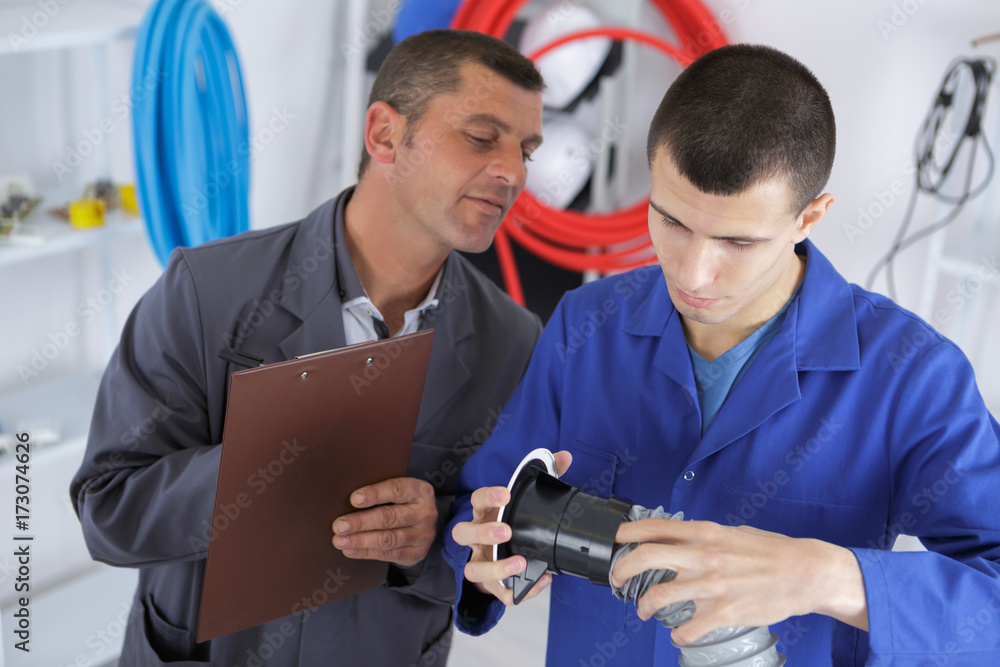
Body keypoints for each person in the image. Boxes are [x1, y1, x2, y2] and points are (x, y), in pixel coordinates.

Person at [446, 43, 1000, 665]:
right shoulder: (587, 324)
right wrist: (479, 549)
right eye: (672, 222)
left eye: (737, 241)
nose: (693, 274)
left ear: (809, 218)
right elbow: (484, 502)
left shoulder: (914, 378)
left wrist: (828, 576)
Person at [70, 29, 545, 667]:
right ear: (384, 135)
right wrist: (265, 473)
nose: (512, 173)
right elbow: (109, 507)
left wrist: (433, 535)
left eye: (527, 151)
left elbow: (497, 551)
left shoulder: (513, 343)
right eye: (482, 137)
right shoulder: (208, 291)